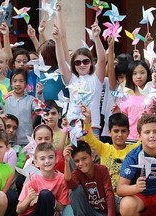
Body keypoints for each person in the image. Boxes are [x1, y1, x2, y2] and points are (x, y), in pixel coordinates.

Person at [53, 2, 106, 138]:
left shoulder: (97, 78)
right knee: (71, 159)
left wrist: (97, 38)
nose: (82, 64)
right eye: (77, 62)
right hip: (72, 125)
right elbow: (60, 61)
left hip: (92, 127)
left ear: (90, 63)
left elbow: (102, 59)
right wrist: (57, 41)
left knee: (91, 160)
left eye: (86, 61)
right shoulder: (71, 78)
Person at [81, 105, 140, 212]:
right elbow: (89, 138)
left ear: (128, 133)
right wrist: (88, 121)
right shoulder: (104, 148)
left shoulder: (134, 149)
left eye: (123, 131)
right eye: (116, 131)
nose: (119, 135)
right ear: (109, 132)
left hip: (127, 197)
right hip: (106, 197)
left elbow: (146, 140)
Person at [117, 114, 156, 216]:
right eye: (147, 132)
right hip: (140, 197)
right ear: (139, 136)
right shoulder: (133, 157)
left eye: (155, 131)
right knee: (127, 205)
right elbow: (120, 189)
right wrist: (136, 187)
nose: (152, 135)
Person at [64, 141, 116, 216]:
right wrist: (66, 161)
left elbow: (109, 193)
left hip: (104, 211)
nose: (81, 163)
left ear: (92, 157)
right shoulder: (76, 173)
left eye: (84, 158)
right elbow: (70, 184)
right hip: (90, 211)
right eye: (77, 161)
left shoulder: (102, 169)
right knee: (74, 190)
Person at [17, 143, 70, 216]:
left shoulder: (62, 179)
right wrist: (29, 198)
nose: (47, 161)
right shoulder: (33, 178)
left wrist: (43, 198)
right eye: (42, 159)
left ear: (56, 159)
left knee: (45, 194)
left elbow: (61, 208)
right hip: (31, 214)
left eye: (51, 157)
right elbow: (18, 210)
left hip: (49, 212)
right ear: (36, 163)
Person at [0, 68, 39, 145]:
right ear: (10, 83)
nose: (17, 84)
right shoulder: (4, 98)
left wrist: (39, 94)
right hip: (8, 141)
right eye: (15, 81)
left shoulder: (31, 100)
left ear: (26, 84)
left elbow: (41, 109)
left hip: (26, 142)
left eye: (21, 81)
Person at [112, 60, 152, 141]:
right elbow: (124, 119)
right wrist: (119, 113)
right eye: (135, 73)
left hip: (149, 138)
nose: (138, 76)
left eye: (142, 72)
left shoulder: (153, 94)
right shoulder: (126, 95)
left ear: (147, 74)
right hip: (129, 138)